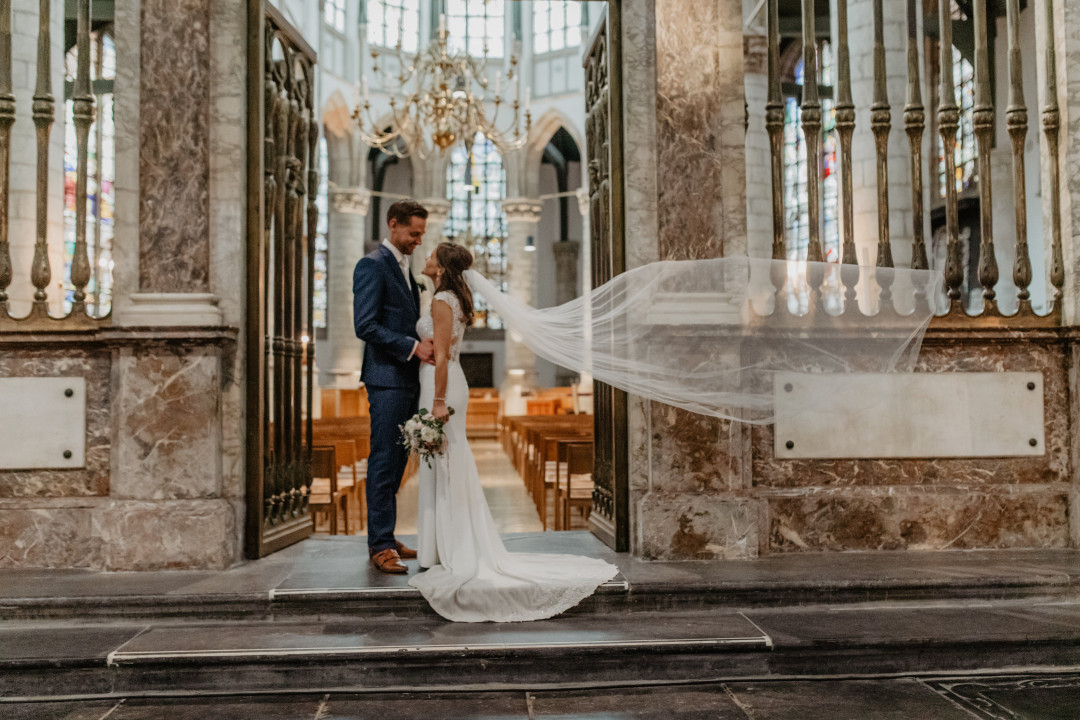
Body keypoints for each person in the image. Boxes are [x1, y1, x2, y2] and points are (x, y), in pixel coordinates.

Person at [408, 242, 619, 622]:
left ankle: (452, 548)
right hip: (448, 382)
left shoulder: (441, 300)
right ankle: (442, 546)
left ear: (441, 267)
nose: (425, 259)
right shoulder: (452, 298)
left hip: (442, 386)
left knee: (446, 460)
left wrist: (438, 401)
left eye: (431, 255)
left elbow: (441, 356)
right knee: (444, 460)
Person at [352, 200, 435, 575]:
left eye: (421, 234)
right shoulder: (372, 265)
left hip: (405, 379)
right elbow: (365, 325)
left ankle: (386, 534)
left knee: (398, 462)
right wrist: (414, 348)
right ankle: (380, 545)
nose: (418, 240)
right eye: (413, 233)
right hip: (386, 379)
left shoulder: (404, 267)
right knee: (384, 461)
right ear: (393, 224)